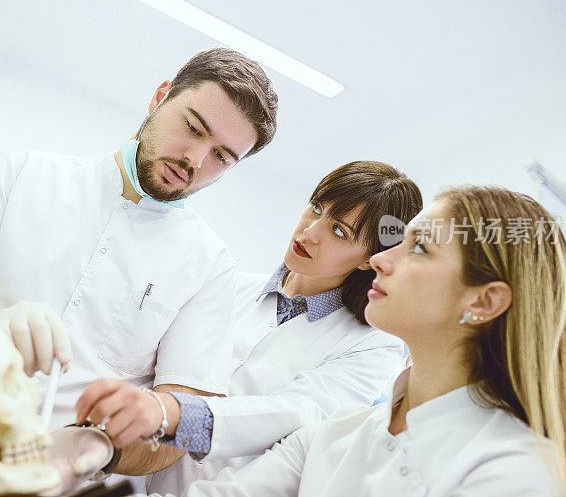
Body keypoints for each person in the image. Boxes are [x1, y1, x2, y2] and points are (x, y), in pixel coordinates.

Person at [0, 48, 279, 457]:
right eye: (192, 127)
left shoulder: (210, 267)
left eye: (222, 157)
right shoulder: (28, 176)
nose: (195, 159)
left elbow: (176, 429)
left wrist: (97, 450)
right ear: (160, 97)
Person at [155, 185, 566, 496]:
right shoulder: (336, 434)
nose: (381, 259)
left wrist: (167, 416)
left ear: (483, 301)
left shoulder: (517, 472)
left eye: (419, 248)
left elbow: (292, 410)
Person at [74, 161, 422, 487]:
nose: (311, 231)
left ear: (369, 259)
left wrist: (170, 413)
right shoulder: (227, 285)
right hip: (119, 477)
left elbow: (298, 412)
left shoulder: (373, 346)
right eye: (317, 207)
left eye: (338, 231)